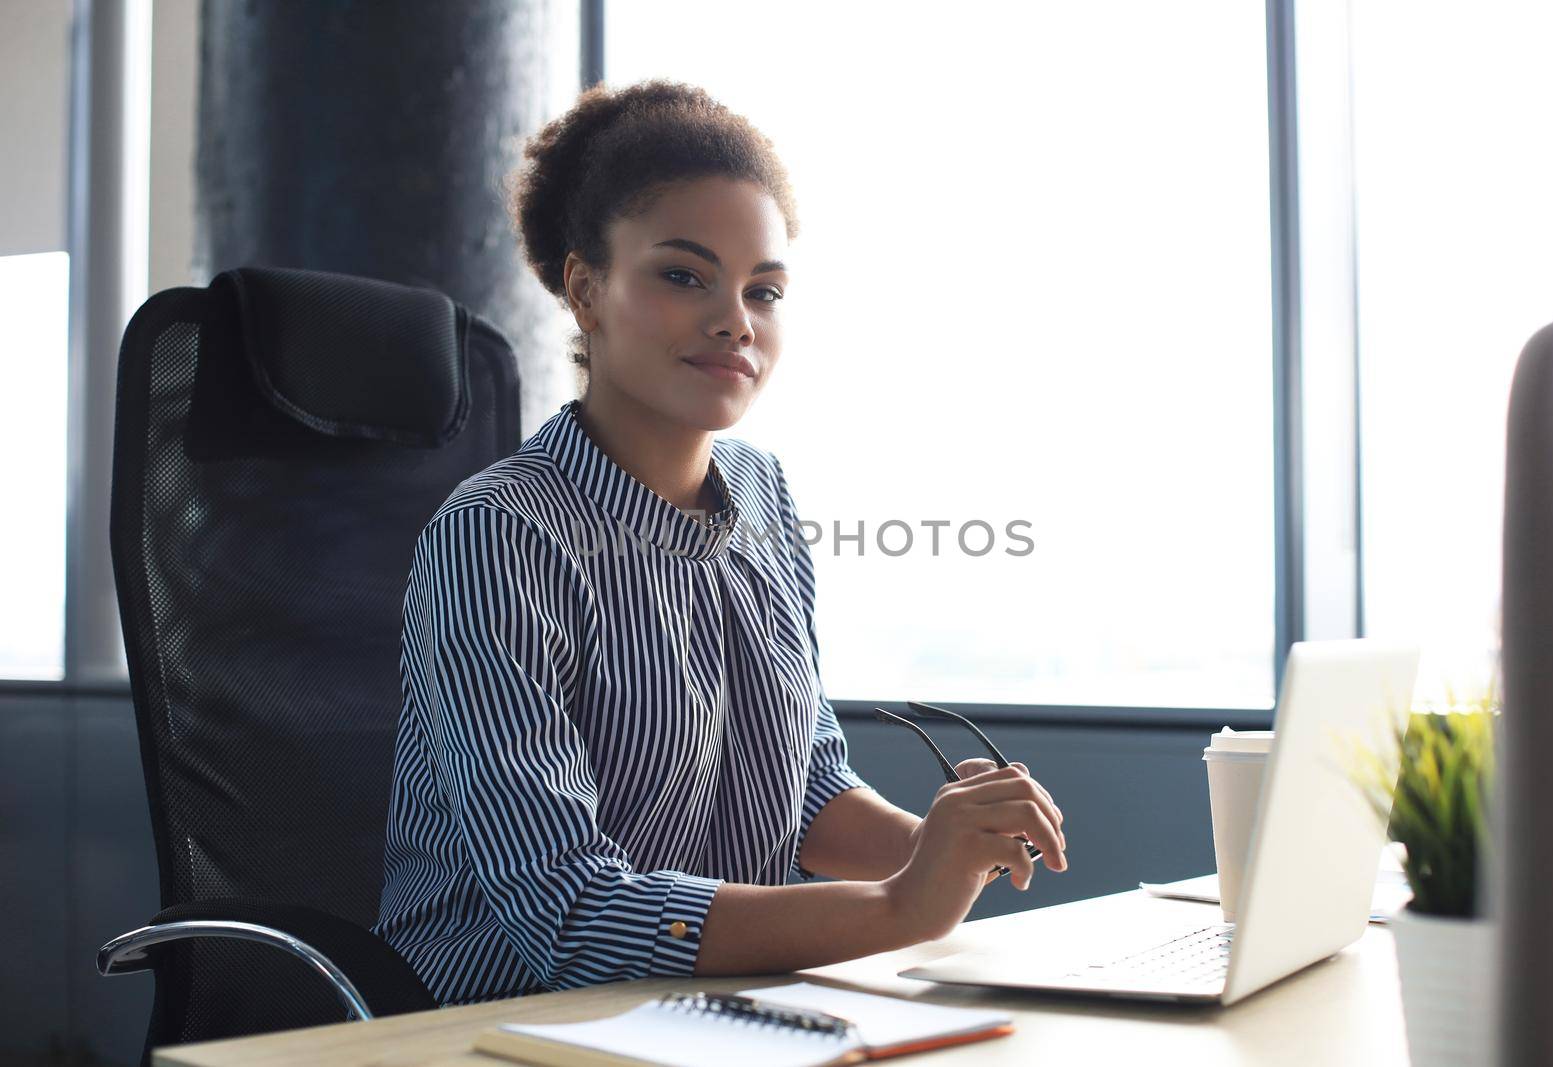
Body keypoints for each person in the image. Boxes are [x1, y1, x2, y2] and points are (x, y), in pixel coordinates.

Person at [372, 78, 1068, 1006]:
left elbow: (806, 790)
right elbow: (568, 915)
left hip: (719, 1012)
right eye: (683, 274)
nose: (735, 319)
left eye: (764, 290)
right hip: (495, 1024)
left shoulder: (765, 497)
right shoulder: (497, 538)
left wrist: (945, 843)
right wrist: (905, 902)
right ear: (586, 288)